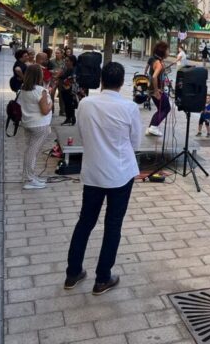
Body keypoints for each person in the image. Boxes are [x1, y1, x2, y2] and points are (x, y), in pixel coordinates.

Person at [64, 62, 142, 295]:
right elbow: (135, 142)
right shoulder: (129, 107)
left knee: (85, 222)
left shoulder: (86, 104)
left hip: (93, 172)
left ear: (100, 80)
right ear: (122, 82)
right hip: (120, 173)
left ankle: (72, 273)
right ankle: (102, 278)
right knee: (113, 225)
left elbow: (81, 135)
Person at [17, 65, 53, 190]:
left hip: (28, 123)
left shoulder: (23, 89)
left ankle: (30, 176)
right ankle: (29, 179)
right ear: (39, 75)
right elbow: (45, 110)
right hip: (40, 125)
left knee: (30, 150)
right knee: (32, 152)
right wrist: (51, 102)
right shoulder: (40, 90)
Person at [60, 55, 79, 126]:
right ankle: (69, 118)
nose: (66, 62)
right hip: (65, 90)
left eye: (67, 61)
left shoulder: (74, 69)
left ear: (72, 62)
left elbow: (71, 79)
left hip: (69, 91)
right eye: (66, 60)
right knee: (68, 105)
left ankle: (70, 119)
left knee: (70, 105)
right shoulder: (68, 69)